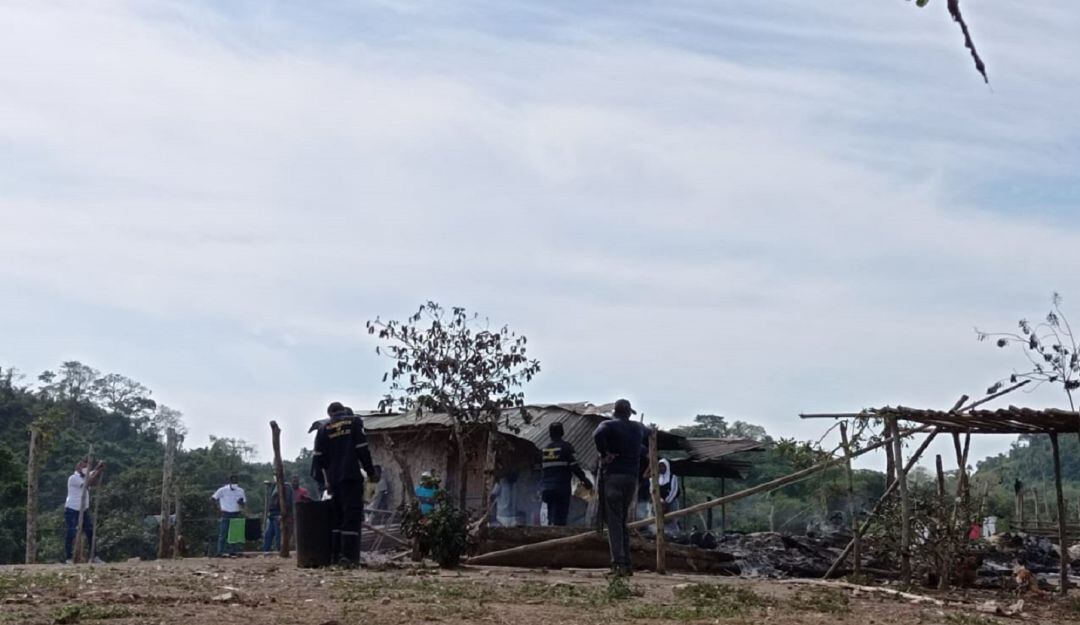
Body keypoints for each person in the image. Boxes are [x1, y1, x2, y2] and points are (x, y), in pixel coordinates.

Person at [311, 402, 380, 568]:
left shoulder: (323, 429)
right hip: (351, 478)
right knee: (352, 517)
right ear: (343, 410)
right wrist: (371, 472)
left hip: (333, 482)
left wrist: (323, 483)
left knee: (337, 518)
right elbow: (362, 449)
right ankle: (348, 558)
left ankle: (335, 556)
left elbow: (317, 460)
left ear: (330, 414)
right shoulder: (354, 422)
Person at [593, 398, 648, 576]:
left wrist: (605, 454)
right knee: (622, 520)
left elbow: (597, 434)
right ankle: (627, 564)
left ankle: (618, 564)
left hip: (614, 477)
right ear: (629, 413)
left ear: (615, 412)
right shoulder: (638, 428)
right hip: (631, 479)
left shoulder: (609, 425)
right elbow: (651, 433)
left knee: (614, 522)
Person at [539, 422, 593, 526]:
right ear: (562, 433)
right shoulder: (566, 447)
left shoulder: (544, 449)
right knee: (561, 517)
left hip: (547, 488)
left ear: (550, 434)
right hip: (561, 488)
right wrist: (585, 481)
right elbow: (575, 467)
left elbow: (542, 470)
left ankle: (550, 530)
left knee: (550, 515)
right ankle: (557, 533)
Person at [64, 458, 106, 564]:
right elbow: (88, 483)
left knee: (90, 532)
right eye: (83, 466)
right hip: (72, 509)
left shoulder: (86, 475)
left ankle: (94, 556)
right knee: (71, 532)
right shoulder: (73, 478)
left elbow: (93, 475)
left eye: (87, 467)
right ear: (78, 467)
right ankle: (69, 557)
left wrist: (99, 467)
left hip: (84, 510)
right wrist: (97, 472)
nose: (85, 468)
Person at [211, 475, 246, 556]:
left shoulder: (240, 491)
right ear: (230, 482)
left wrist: (241, 503)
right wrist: (217, 510)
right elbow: (213, 499)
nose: (234, 483)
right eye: (233, 481)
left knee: (234, 534)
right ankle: (220, 551)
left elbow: (244, 503)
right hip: (225, 513)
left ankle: (233, 551)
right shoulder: (223, 490)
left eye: (236, 481)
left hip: (236, 513)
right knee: (223, 533)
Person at [262, 479, 294, 552]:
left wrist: (283, 514)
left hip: (279, 514)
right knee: (268, 535)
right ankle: (266, 551)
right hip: (272, 515)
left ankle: (280, 551)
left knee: (278, 536)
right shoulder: (273, 486)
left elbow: (288, 502)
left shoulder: (286, 487)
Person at [656, 458, 681, 534]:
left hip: (671, 502)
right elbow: (654, 490)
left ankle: (675, 535)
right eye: (660, 466)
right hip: (660, 502)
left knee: (672, 519)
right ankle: (664, 534)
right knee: (661, 520)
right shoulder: (656, 478)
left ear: (667, 467)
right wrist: (660, 500)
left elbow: (674, 490)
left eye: (663, 466)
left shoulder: (673, 477)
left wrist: (666, 501)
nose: (661, 468)